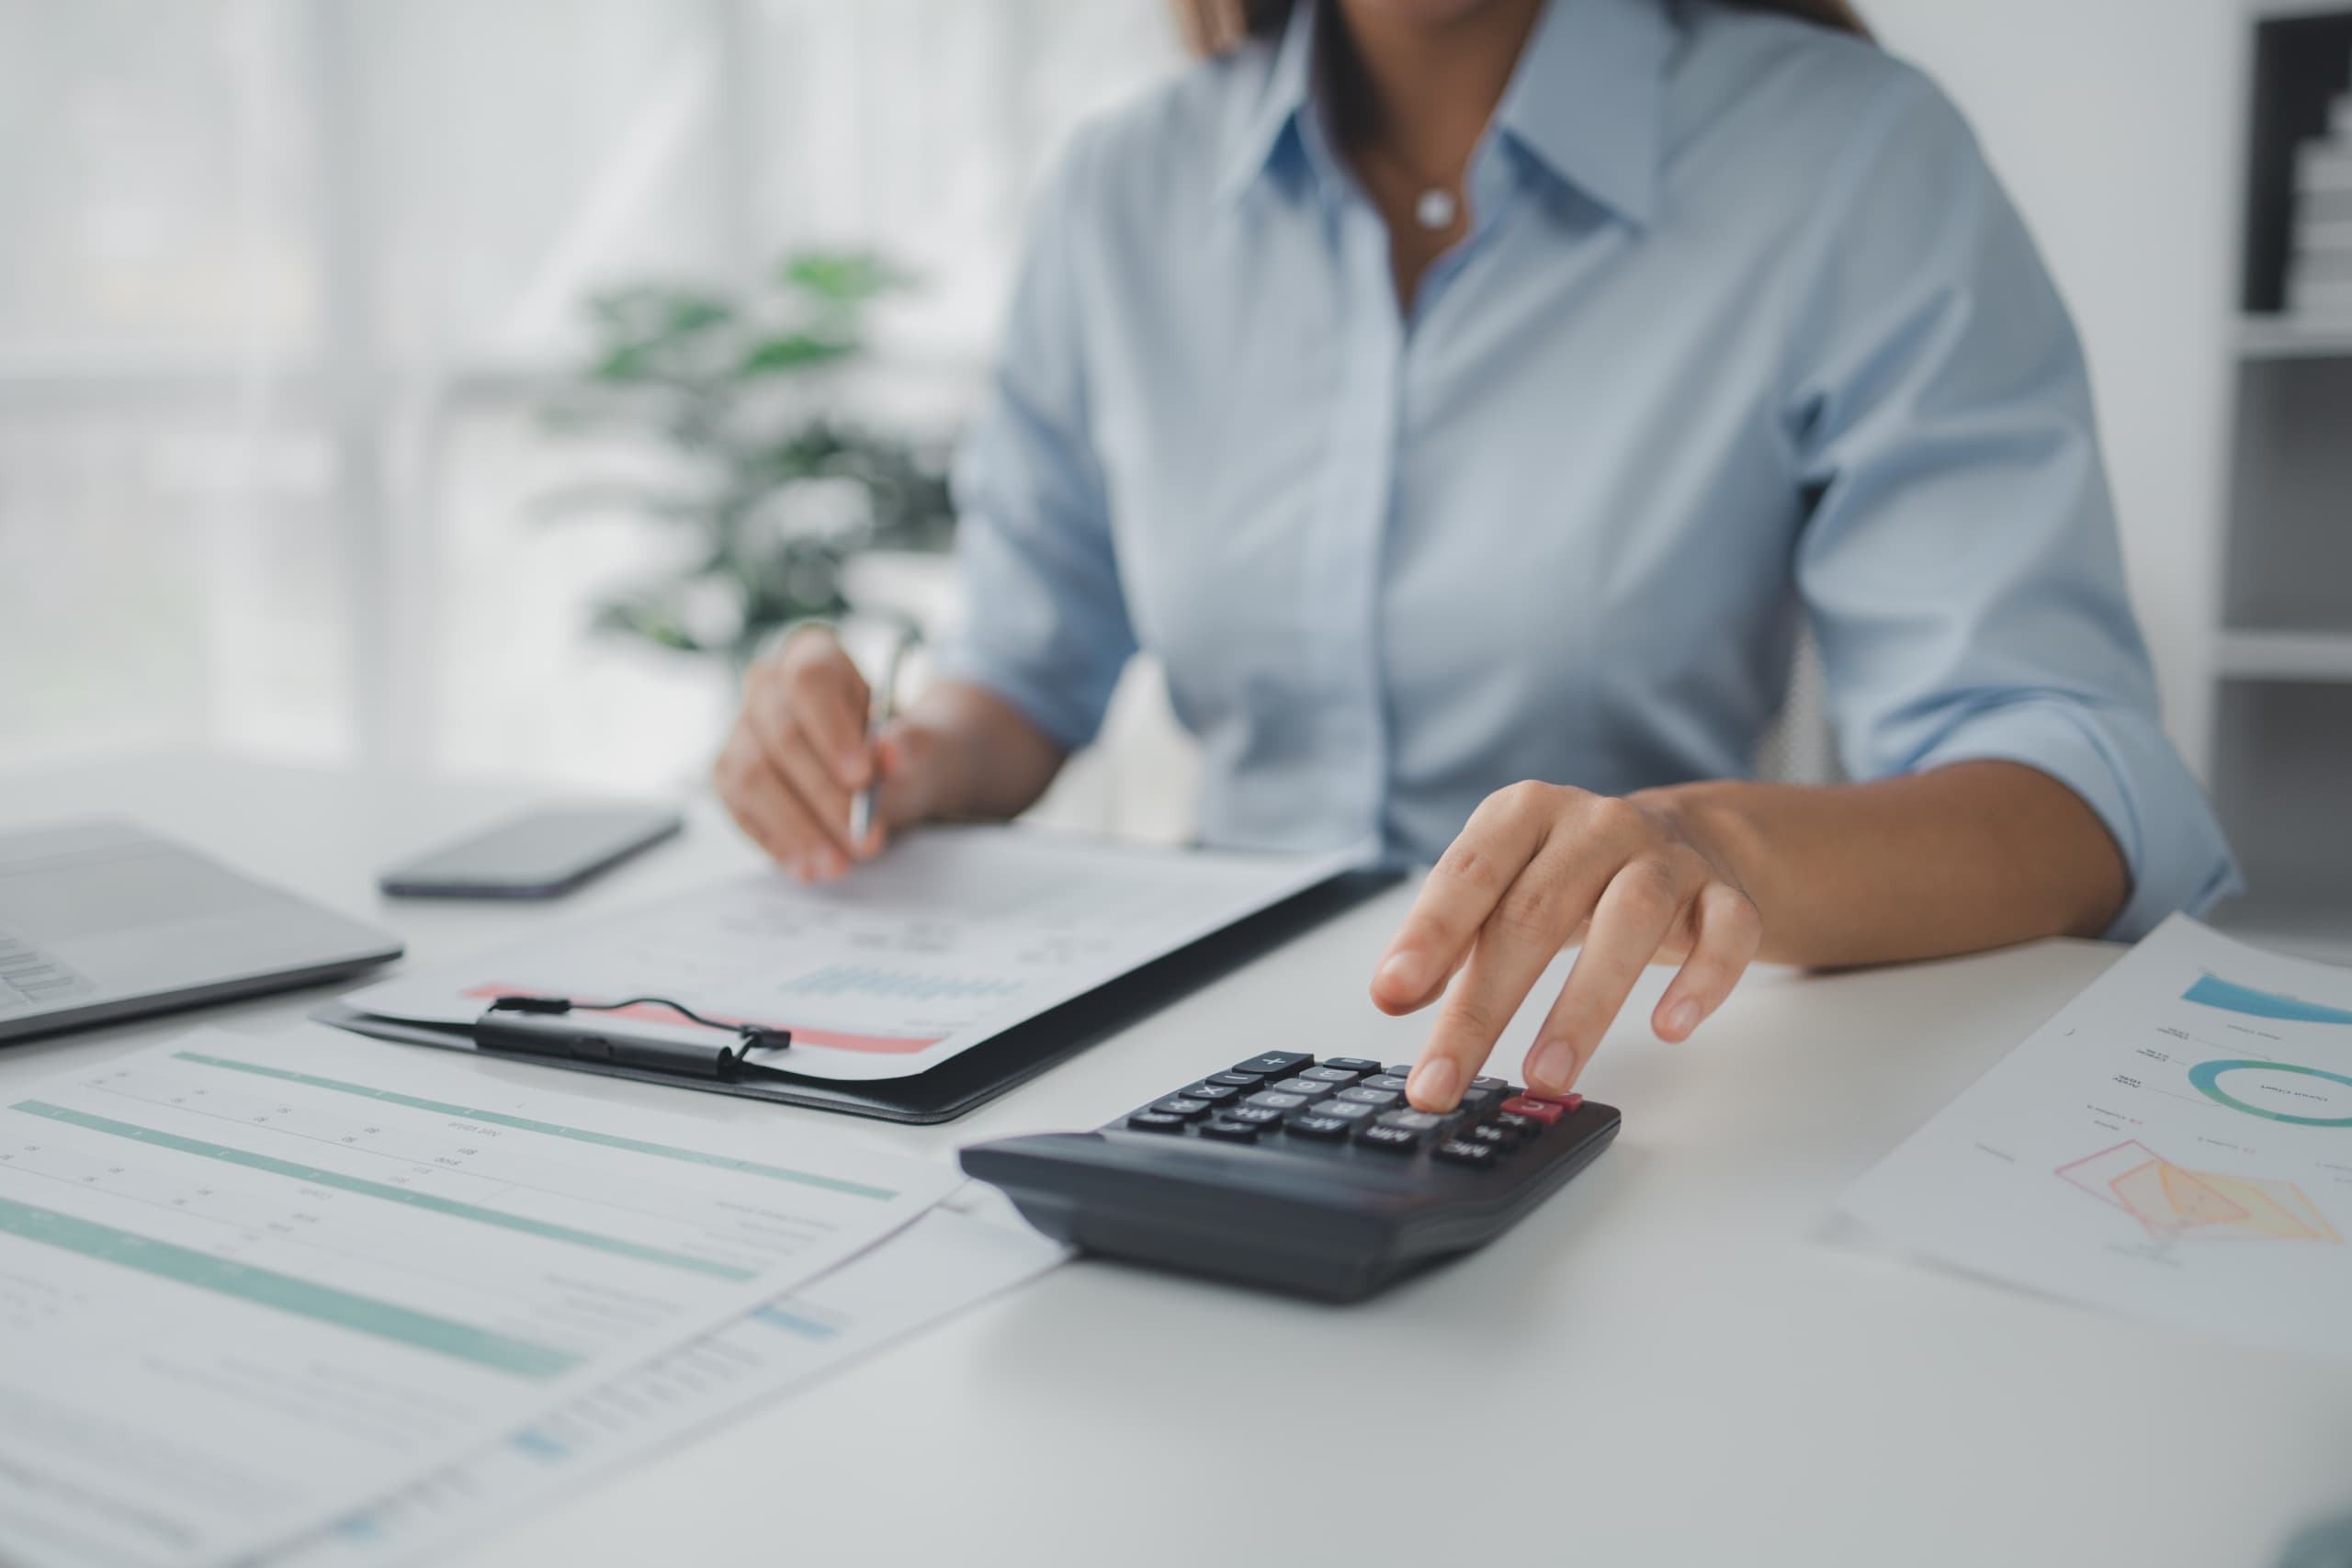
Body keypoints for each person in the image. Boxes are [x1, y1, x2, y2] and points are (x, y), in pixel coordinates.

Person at [714, 0, 2240, 1115]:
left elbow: (2079, 791)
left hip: (1629, 1088)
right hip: (1186, 1083)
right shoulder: (1124, 187)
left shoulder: (1846, 156)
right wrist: (887, 758)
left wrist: (1717, 848)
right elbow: (1021, 683)